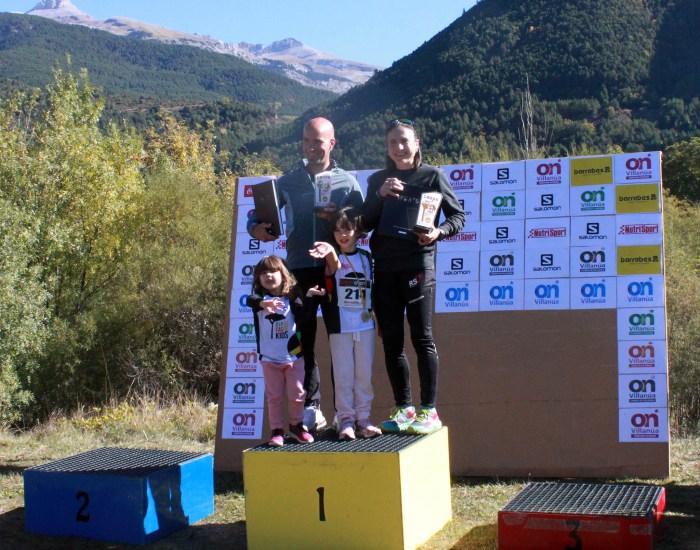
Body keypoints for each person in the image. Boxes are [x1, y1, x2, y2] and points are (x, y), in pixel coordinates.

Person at [247, 117, 364, 432]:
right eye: (306, 141)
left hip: (335, 270)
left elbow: (362, 225)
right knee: (304, 342)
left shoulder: (347, 182)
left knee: (341, 341)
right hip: (298, 270)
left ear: (332, 143)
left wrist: (339, 220)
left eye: (318, 142)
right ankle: (313, 407)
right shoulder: (287, 181)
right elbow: (257, 216)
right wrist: (256, 228)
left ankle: (345, 412)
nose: (311, 147)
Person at [360, 118, 465, 435]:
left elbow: (458, 217)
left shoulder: (432, 176)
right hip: (385, 269)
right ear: (387, 147)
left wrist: (437, 232)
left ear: (416, 143)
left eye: (404, 140)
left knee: (422, 338)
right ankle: (404, 409)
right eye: (392, 142)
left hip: (418, 265)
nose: (399, 147)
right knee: (392, 342)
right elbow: (364, 224)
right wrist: (380, 195)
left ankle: (429, 410)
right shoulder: (378, 179)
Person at [309, 207, 382, 440]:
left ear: (357, 231)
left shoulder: (367, 257)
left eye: (347, 229)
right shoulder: (334, 259)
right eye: (338, 230)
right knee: (343, 377)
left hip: (365, 325)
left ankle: (364, 420)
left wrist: (378, 319)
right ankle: (346, 421)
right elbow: (334, 265)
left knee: (363, 376)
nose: (343, 235)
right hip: (340, 327)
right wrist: (330, 250)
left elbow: (373, 290)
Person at [246, 255, 326, 446]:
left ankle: (296, 426)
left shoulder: (292, 297)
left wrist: (309, 297)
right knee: (274, 397)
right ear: (258, 279)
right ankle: (277, 431)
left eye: (273, 271)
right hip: (269, 359)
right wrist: (264, 304)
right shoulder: (259, 299)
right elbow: (250, 299)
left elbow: (304, 317)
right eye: (263, 273)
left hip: (293, 358)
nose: (268, 276)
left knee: (297, 394)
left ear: (283, 275)